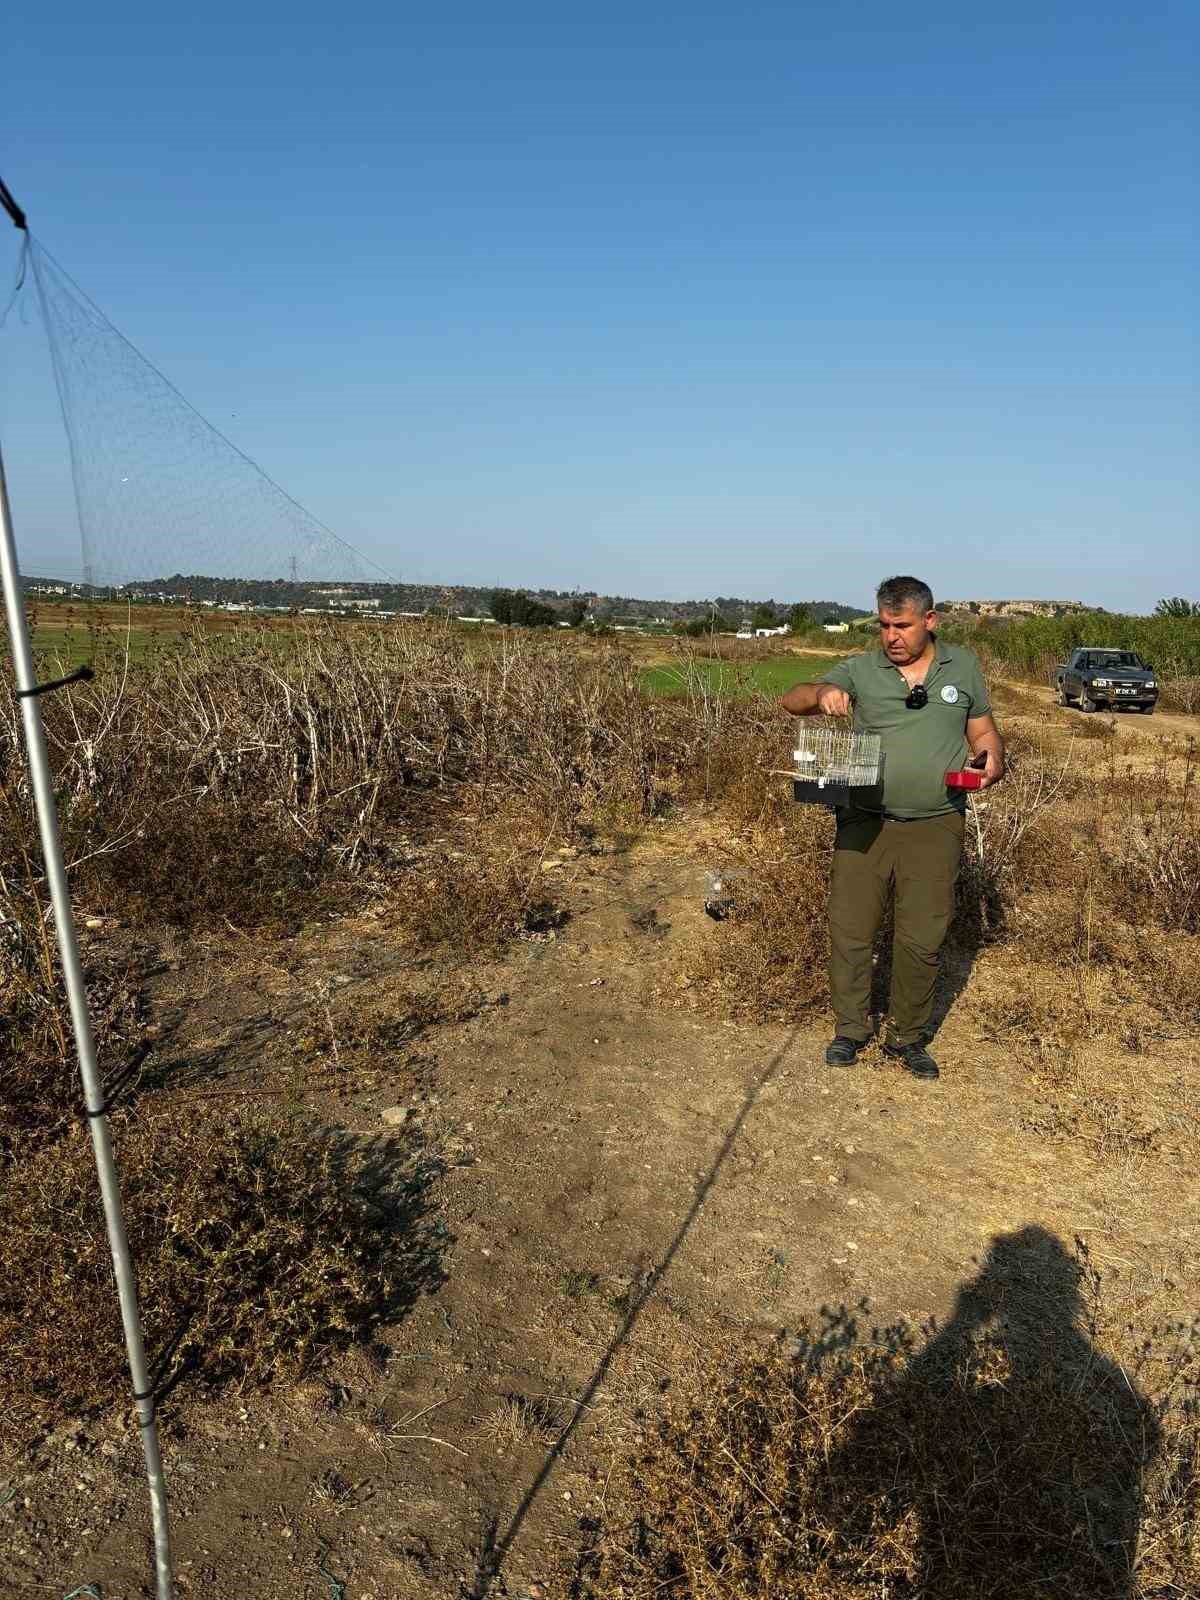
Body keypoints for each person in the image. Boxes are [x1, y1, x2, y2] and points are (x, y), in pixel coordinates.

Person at [780, 575, 1004, 1080]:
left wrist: (991, 762)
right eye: (883, 625)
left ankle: (907, 1037)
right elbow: (792, 699)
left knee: (921, 937)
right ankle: (850, 1030)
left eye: (901, 625)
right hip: (865, 823)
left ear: (930, 621)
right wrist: (824, 692)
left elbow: (984, 731)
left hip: (936, 823)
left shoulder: (962, 666)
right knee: (851, 929)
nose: (891, 636)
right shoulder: (861, 669)